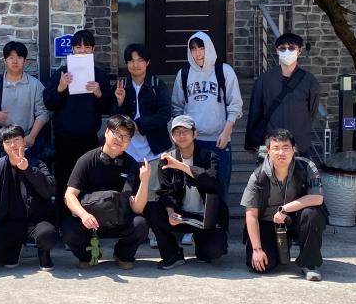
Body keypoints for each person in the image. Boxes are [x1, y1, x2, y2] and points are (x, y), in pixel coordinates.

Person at [62, 114, 151, 270]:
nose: (120, 139)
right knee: (69, 229)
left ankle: (122, 254)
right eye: (117, 133)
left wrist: (144, 181)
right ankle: (87, 255)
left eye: (125, 136)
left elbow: (137, 208)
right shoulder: (87, 160)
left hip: (119, 219)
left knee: (140, 224)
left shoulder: (131, 164)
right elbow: (69, 195)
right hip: (90, 220)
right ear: (106, 132)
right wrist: (83, 215)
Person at [43, 29, 112, 223]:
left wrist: (99, 93)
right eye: (78, 47)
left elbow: (108, 107)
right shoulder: (62, 73)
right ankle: (64, 222)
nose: (82, 51)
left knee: (89, 179)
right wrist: (60, 88)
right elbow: (49, 103)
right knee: (64, 180)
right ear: (72, 49)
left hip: (89, 138)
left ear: (93, 50)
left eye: (87, 47)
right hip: (64, 139)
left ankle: (89, 221)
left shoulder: (100, 75)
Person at [241, 128, 327, 281]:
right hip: (269, 223)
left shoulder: (307, 166)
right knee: (262, 266)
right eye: (276, 148)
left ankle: (309, 263)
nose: (281, 152)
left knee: (312, 214)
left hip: (297, 220)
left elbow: (317, 198)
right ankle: (279, 245)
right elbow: (251, 215)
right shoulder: (258, 176)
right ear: (268, 151)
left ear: (294, 149)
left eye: (286, 147)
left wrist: (285, 209)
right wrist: (257, 249)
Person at [147, 116, 230, 269]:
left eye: (185, 131)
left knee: (213, 251)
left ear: (194, 134)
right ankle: (173, 254)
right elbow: (165, 191)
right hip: (181, 214)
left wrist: (182, 166)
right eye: (177, 132)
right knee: (153, 208)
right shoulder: (166, 160)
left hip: (205, 216)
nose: (181, 135)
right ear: (172, 136)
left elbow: (211, 181)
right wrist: (170, 213)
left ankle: (201, 242)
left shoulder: (209, 156)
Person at [170, 31, 242, 192]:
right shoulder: (184, 74)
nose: (198, 53)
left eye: (201, 48)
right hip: (193, 141)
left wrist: (226, 133)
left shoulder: (224, 71)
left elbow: (235, 105)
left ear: (209, 48)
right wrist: (182, 136)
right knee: (194, 188)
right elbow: (177, 107)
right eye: (193, 49)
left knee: (220, 186)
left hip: (219, 140)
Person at [0, 125, 59, 271]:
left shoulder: (37, 163)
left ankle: (44, 252)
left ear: (24, 141)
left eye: (16, 140)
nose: (13, 145)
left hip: (37, 222)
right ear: (3, 146)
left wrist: (28, 170)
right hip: (10, 223)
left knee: (48, 235)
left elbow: (49, 190)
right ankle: (14, 248)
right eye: (8, 142)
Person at [246, 32, 321, 157]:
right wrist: (250, 142)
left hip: (299, 144)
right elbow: (255, 111)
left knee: (300, 170)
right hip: (272, 144)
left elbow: (312, 111)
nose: (287, 51)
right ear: (277, 51)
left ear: (299, 50)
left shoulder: (309, 81)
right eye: (283, 48)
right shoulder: (264, 80)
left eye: (291, 48)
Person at [0, 41, 50, 161]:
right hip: (3, 142)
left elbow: (43, 113)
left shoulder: (35, 85)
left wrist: (32, 136)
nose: (15, 61)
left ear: (25, 61)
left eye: (19, 57)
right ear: (4, 61)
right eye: (11, 57)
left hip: (27, 140)